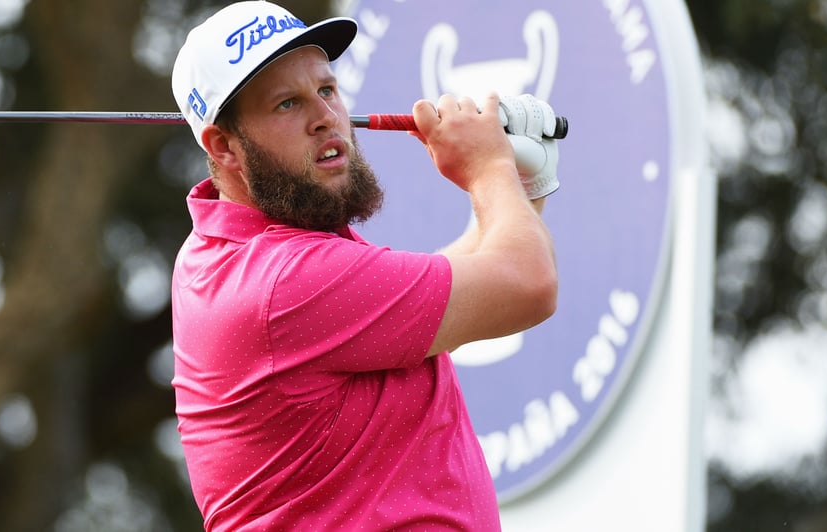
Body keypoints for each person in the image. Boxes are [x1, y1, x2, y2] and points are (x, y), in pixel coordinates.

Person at [168, 1, 560, 530]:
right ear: (224, 147)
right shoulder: (284, 280)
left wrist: (520, 184)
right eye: (287, 104)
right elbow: (527, 284)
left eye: (326, 90)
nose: (324, 117)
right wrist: (488, 168)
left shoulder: (238, 251)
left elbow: (466, 287)